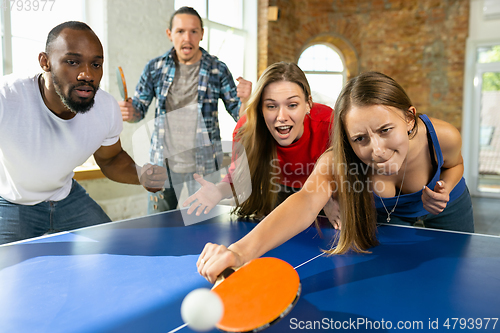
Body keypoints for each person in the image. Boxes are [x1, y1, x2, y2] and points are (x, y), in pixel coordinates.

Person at [196, 71, 474, 283]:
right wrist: (239, 253)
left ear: (410, 119)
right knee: (394, 276)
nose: (377, 150)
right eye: (360, 138)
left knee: (457, 275)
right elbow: (305, 202)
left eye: (386, 129)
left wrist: (445, 189)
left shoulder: (442, 136)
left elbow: (455, 164)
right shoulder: (339, 159)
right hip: (391, 215)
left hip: (447, 204)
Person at [0, 21, 166, 245]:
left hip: (67, 198)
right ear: (45, 62)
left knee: (115, 252)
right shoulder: (6, 97)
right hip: (11, 202)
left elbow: (112, 159)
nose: (86, 74)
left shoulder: (106, 108)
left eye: (96, 64)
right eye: (72, 62)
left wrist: (141, 174)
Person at [119, 6, 252, 214]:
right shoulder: (154, 68)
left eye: (193, 31)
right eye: (180, 31)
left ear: (201, 34)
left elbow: (241, 116)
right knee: (157, 227)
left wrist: (246, 100)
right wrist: (129, 112)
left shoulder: (218, 69)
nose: (187, 37)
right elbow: (138, 110)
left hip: (205, 167)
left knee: (203, 228)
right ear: (169, 34)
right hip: (161, 166)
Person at [182, 62, 339, 222]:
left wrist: (328, 195)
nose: (281, 116)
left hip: (323, 188)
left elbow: (345, 171)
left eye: (292, 105)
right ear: (261, 109)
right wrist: (218, 191)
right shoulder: (246, 129)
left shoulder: (329, 125)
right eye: (271, 106)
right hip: (276, 188)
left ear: (308, 104)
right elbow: (238, 176)